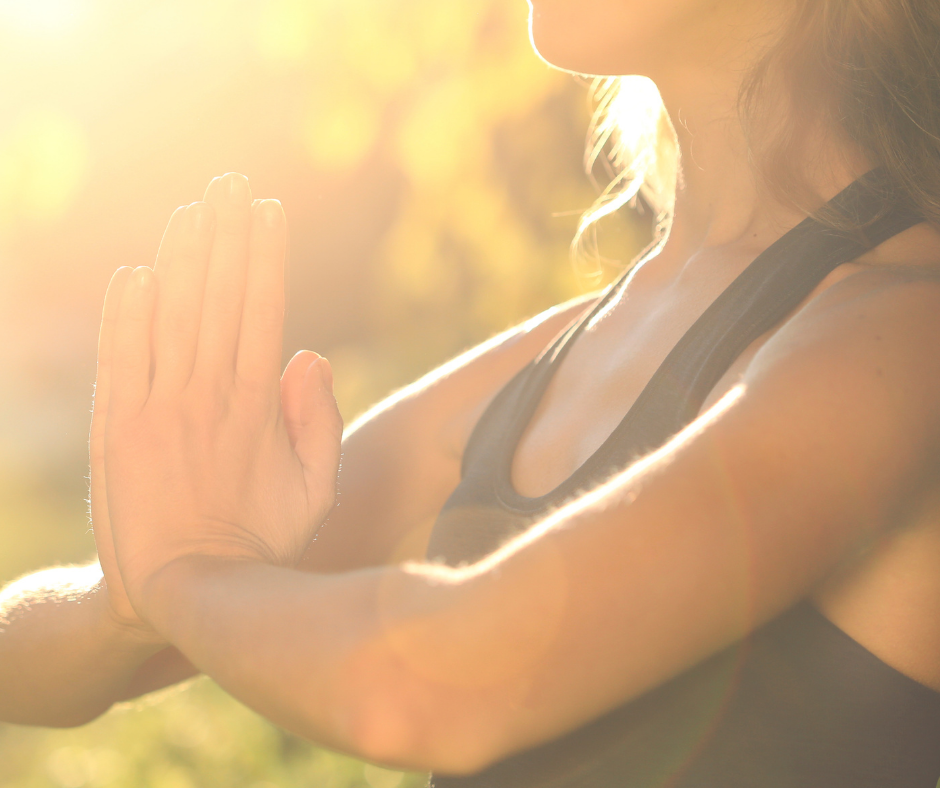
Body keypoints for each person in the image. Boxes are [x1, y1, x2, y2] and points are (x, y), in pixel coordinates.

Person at [2, 0, 940, 783]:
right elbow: (46, 663)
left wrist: (179, 577)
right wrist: (134, 598)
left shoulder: (906, 331)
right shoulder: (555, 359)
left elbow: (434, 682)